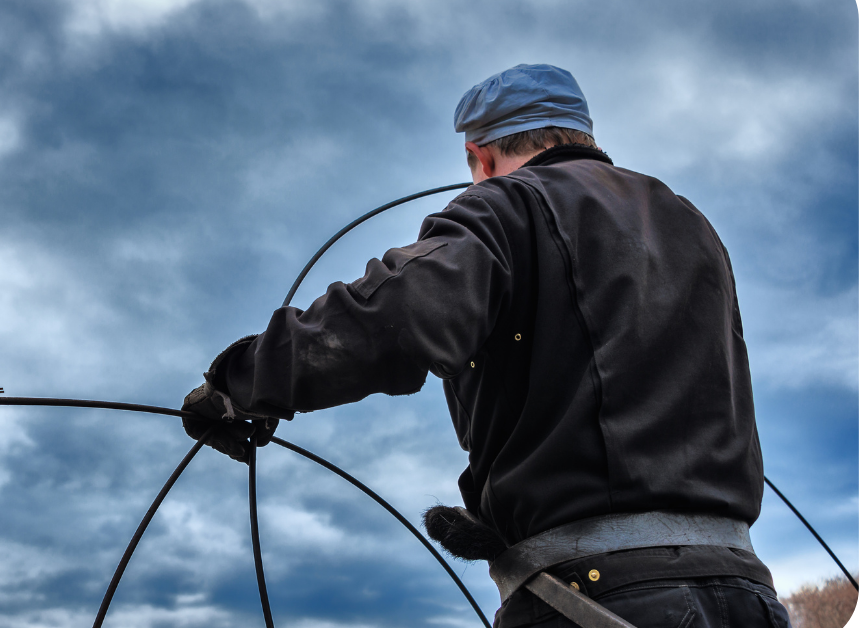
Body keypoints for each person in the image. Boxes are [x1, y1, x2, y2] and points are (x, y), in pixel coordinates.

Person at [181, 64, 791, 628]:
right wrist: (496, 523)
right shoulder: (691, 224)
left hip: (595, 598)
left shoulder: (506, 204)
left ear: (480, 154)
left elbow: (398, 313)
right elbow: (606, 399)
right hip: (747, 594)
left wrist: (238, 384)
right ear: (579, 133)